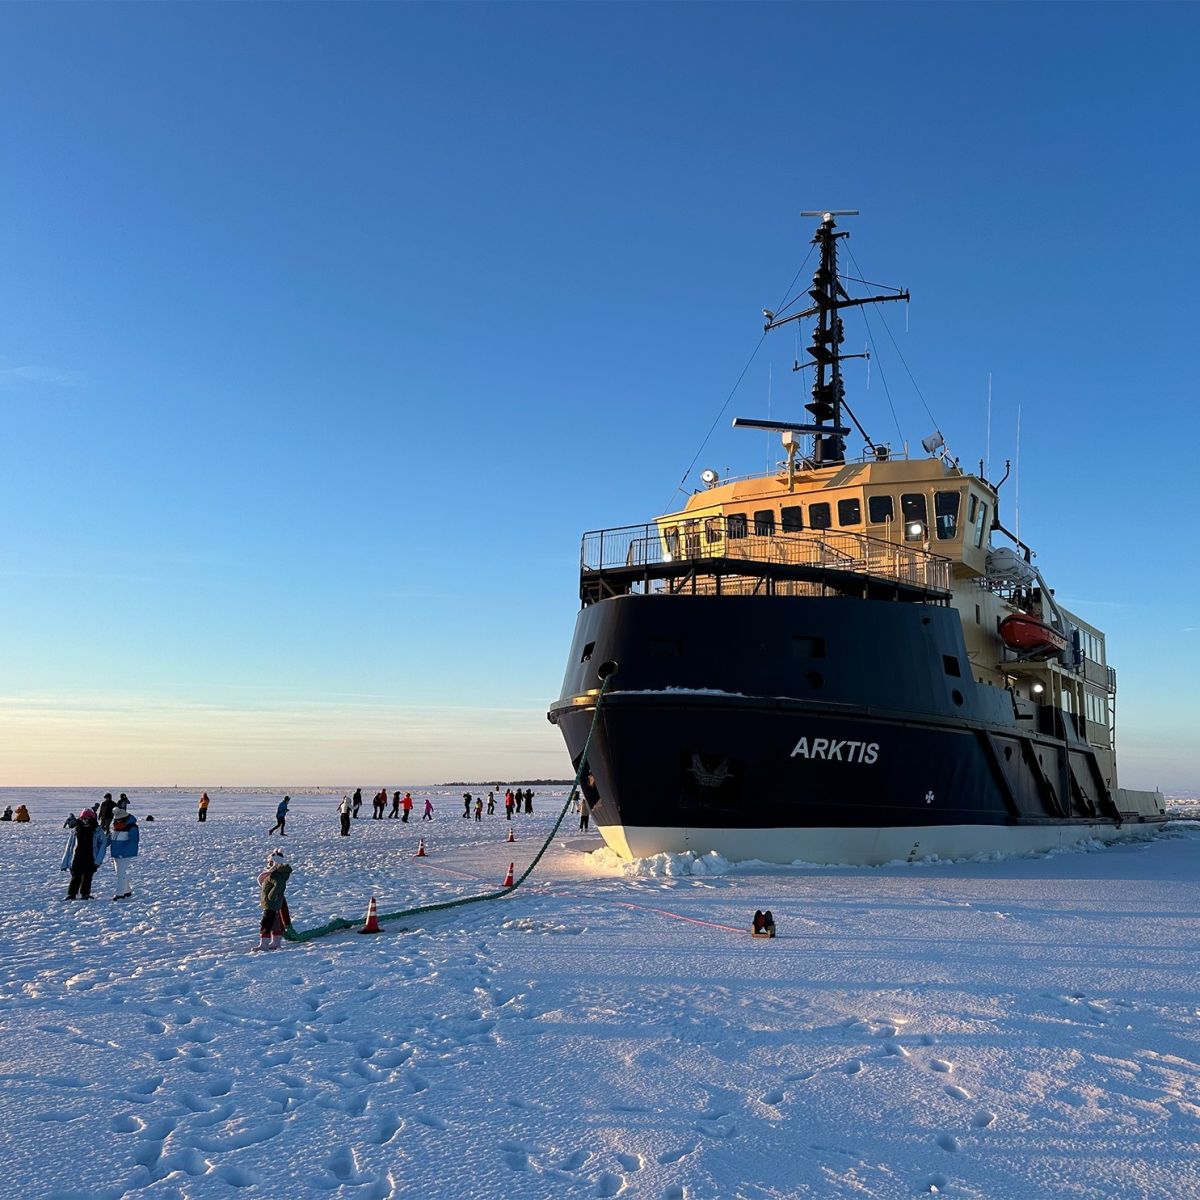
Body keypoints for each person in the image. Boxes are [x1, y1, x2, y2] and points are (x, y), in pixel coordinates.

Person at [61, 808, 107, 899]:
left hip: (90, 857)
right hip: (76, 857)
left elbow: (102, 846)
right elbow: (69, 846)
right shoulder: (76, 830)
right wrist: (65, 862)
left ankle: (85, 893)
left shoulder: (97, 831)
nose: (85, 820)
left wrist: (98, 861)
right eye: (84, 818)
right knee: (75, 876)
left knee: (88, 876)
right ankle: (72, 894)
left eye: (88, 818)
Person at [257, 849, 292, 951]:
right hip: (273, 903)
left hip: (271, 904)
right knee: (275, 922)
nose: (268, 864)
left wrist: (271, 896)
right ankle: (276, 942)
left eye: (270, 862)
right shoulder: (273, 874)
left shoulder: (275, 875)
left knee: (266, 922)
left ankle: (264, 944)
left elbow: (278, 886)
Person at [109, 797, 140, 899]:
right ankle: (127, 891)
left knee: (120, 874)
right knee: (120, 872)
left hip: (125, 854)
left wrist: (124, 852)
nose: (117, 821)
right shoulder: (117, 827)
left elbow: (133, 842)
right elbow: (111, 838)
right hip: (117, 854)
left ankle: (120, 894)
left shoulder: (132, 828)